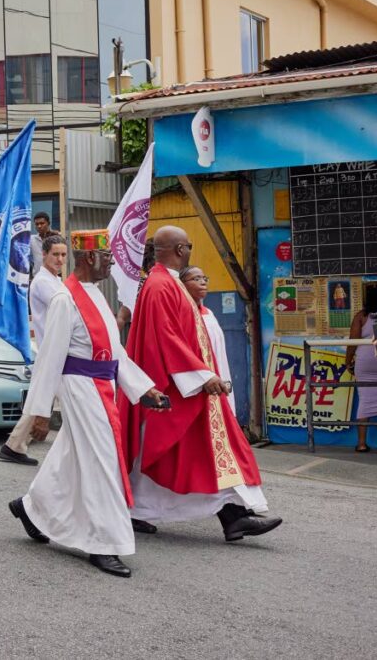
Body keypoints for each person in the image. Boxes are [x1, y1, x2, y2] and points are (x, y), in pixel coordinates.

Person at [7, 230, 164, 578]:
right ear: (90, 258)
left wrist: (144, 388)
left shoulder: (95, 295)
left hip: (102, 386)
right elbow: (50, 357)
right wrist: (41, 412)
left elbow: (114, 352)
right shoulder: (66, 299)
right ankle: (103, 543)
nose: (112, 262)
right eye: (107, 257)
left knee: (72, 457)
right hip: (80, 389)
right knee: (101, 462)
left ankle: (31, 508)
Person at [121, 225, 282, 542]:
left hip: (186, 384)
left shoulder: (167, 283)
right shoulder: (159, 286)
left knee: (194, 454)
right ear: (181, 250)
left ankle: (232, 515)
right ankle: (231, 516)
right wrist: (201, 375)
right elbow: (165, 337)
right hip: (177, 388)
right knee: (199, 452)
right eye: (189, 246)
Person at [0, 234, 68, 465]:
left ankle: (14, 445)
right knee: (65, 400)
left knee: (41, 398)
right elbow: (65, 306)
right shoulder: (42, 282)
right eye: (55, 254)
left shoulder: (56, 281)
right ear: (45, 255)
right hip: (50, 346)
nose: (59, 259)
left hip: (55, 347)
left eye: (63, 255)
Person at [180, 266, 237, 415]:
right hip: (202, 381)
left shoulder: (209, 313)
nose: (203, 282)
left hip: (219, 374)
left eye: (204, 278)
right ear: (182, 284)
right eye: (196, 279)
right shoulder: (182, 315)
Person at [346, 286, 377, 453]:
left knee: (365, 399)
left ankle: (361, 443)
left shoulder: (361, 316)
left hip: (365, 361)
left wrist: (347, 361)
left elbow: (353, 342)